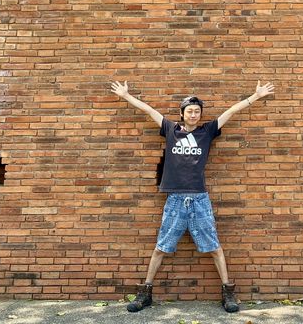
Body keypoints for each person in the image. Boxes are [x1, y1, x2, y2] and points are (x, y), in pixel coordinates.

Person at [110, 79, 275, 313]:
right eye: (190, 111)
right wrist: (126, 96)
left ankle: (228, 293)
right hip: (175, 199)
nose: (194, 114)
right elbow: (148, 110)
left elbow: (230, 111)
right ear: (182, 113)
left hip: (199, 198)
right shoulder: (170, 129)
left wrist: (255, 96)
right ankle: (145, 293)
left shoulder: (207, 131)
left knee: (215, 247)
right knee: (161, 248)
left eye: (198, 111)